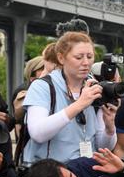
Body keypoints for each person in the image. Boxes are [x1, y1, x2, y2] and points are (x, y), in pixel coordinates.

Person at [20, 21, 117, 165]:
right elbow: (38, 134)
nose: (86, 63)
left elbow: (103, 146)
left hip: (86, 174)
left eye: (90, 57)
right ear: (61, 58)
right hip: (53, 176)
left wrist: (110, 128)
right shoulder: (42, 86)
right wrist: (79, 104)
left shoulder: (94, 87)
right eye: (78, 57)